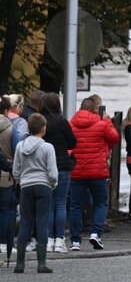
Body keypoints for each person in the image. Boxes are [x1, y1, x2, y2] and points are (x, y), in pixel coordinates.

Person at [69, 96, 119, 251]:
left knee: (76, 206)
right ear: (95, 110)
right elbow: (115, 137)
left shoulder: (71, 125)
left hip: (77, 171)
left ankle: (75, 241)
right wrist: (108, 121)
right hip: (97, 172)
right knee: (100, 202)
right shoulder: (102, 124)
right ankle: (95, 233)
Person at [12, 113, 57, 274]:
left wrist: (21, 180)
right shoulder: (47, 147)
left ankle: (20, 264)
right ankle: (41, 263)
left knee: (25, 223)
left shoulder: (20, 146)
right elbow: (52, 172)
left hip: (26, 186)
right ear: (44, 129)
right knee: (42, 222)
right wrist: (52, 184)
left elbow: (16, 170)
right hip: (43, 186)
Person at [40, 93, 76, 253]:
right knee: (61, 203)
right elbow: (73, 142)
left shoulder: (41, 121)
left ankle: (48, 240)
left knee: (48, 205)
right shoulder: (62, 121)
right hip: (62, 165)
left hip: (44, 167)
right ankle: (59, 240)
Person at [0, 97, 16, 260]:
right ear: (6, 110)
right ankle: (4, 243)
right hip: (6, 176)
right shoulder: (11, 128)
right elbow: (17, 148)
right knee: (6, 210)